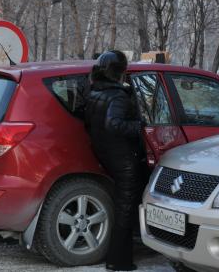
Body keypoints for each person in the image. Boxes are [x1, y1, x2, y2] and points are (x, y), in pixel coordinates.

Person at [85, 50, 144, 271]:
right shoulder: (118, 95)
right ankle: (119, 261)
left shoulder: (94, 91)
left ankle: (117, 258)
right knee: (125, 209)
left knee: (123, 207)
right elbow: (114, 124)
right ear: (121, 72)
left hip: (107, 155)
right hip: (124, 159)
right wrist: (140, 127)